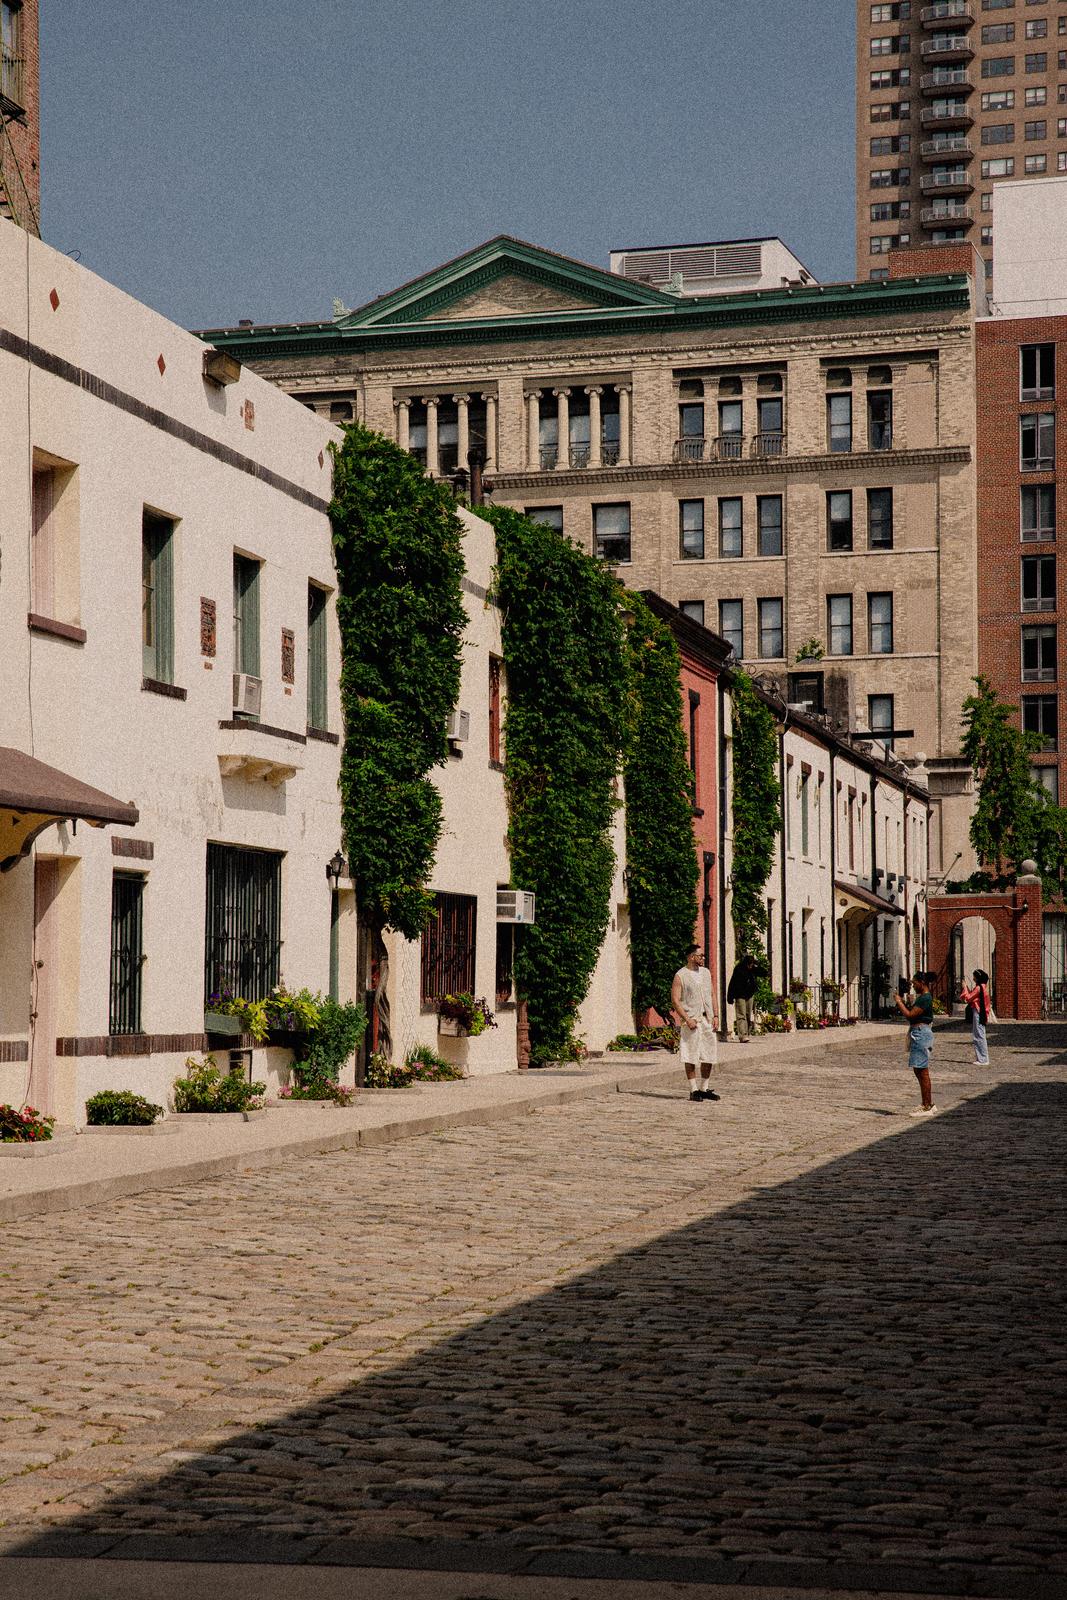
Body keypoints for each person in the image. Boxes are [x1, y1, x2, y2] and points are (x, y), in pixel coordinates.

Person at [671, 944, 719, 1101]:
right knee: (690, 1054)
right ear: (691, 957)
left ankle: (704, 1087)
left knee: (709, 1053)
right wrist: (686, 1019)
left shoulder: (706, 973)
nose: (703, 958)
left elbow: (712, 994)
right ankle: (693, 1089)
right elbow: (676, 1000)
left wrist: (716, 1015)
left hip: (707, 1019)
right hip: (692, 1020)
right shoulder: (681, 975)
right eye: (700, 956)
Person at [894, 970, 938, 1115]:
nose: (913, 985)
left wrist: (899, 1002)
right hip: (918, 1032)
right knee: (918, 1069)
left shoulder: (925, 998)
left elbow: (910, 1015)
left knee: (922, 1070)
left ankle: (927, 1105)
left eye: (915, 983)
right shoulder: (922, 998)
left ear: (922, 983)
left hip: (921, 1033)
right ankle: (926, 1103)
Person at [960, 967, 992, 1066]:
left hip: (978, 1012)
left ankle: (982, 1059)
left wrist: (965, 987)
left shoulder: (978, 988)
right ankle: (982, 1057)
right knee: (980, 1034)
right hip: (981, 1012)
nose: (973, 978)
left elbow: (968, 998)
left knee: (979, 1035)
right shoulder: (983, 986)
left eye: (974, 976)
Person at [727, 952, 760, 1043]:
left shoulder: (753, 970)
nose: (750, 966)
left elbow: (761, 974)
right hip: (739, 995)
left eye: (752, 964)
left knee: (748, 1015)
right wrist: (730, 996)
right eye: (749, 964)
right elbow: (732, 983)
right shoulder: (738, 969)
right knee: (741, 1015)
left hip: (749, 994)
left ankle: (747, 1033)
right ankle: (743, 1035)